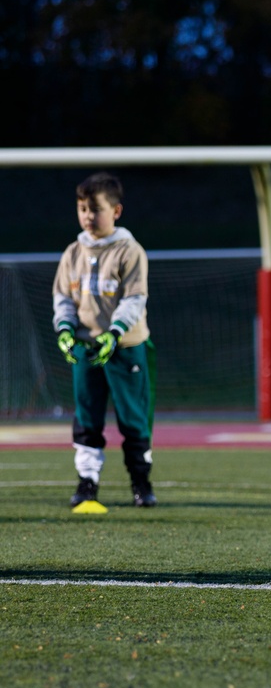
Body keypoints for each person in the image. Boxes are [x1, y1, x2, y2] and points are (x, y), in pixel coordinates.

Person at [52, 172, 157, 508]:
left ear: (116, 211)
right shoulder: (73, 253)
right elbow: (63, 298)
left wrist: (115, 332)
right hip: (86, 348)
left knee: (133, 418)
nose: (88, 216)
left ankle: (141, 481)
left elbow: (134, 298)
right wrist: (65, 329)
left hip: (124, 348)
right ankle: (87, 482)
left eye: (95, 209)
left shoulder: (129, 251)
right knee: (86, 417)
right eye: (82, 208)